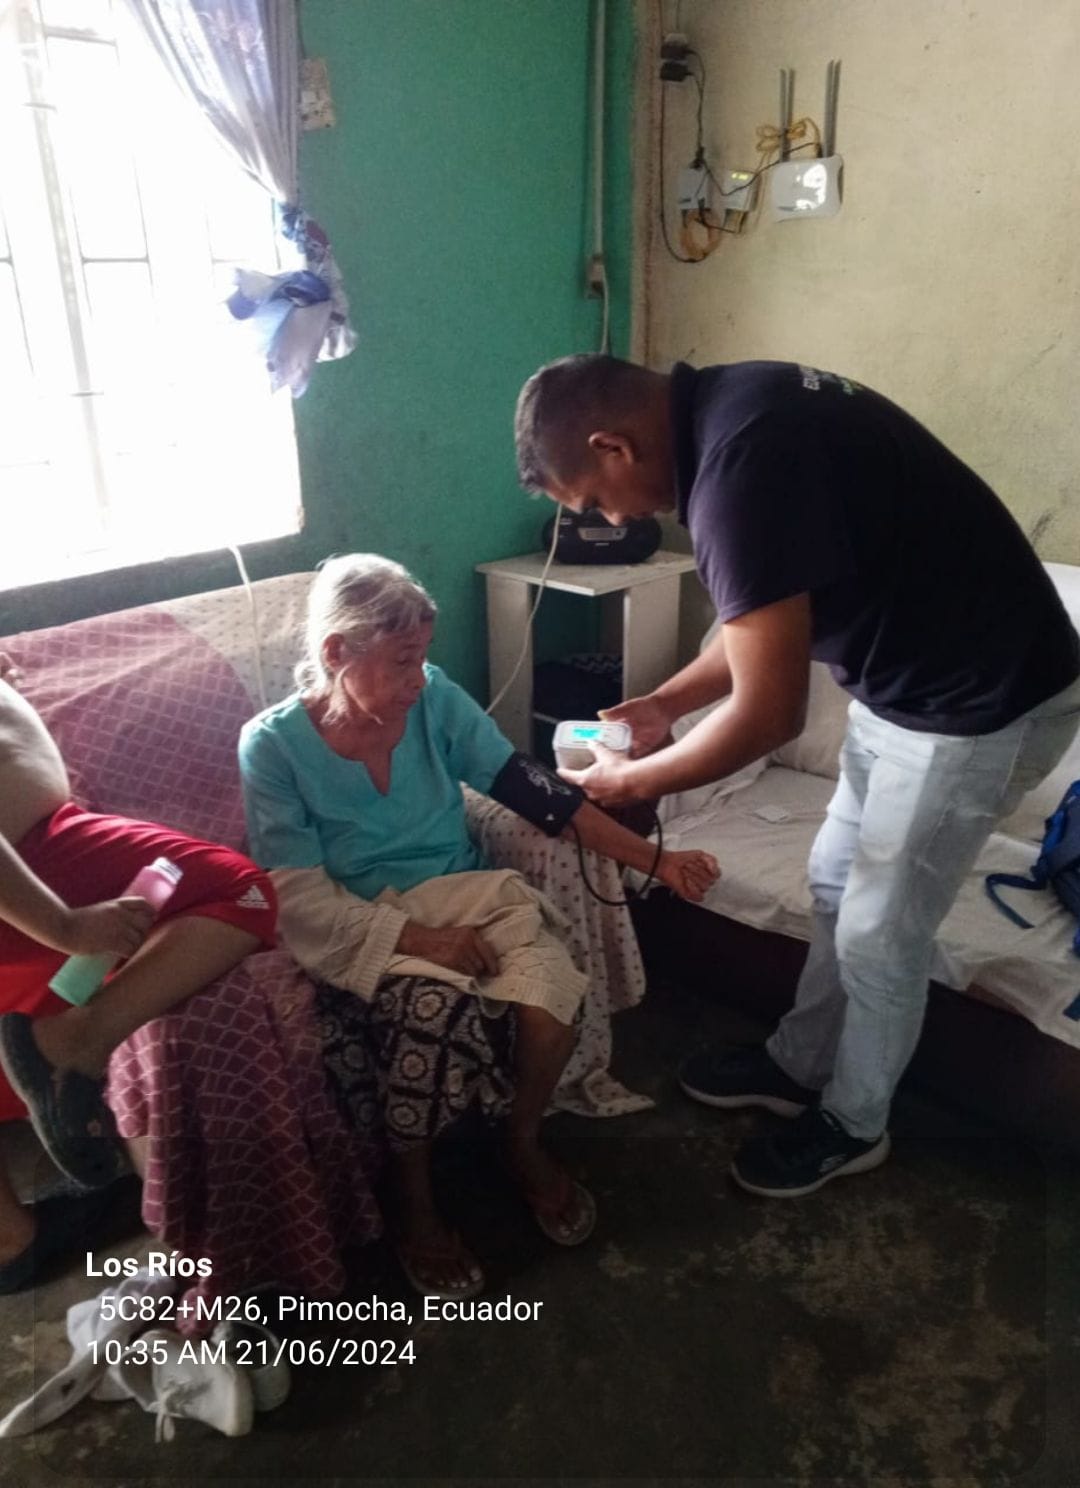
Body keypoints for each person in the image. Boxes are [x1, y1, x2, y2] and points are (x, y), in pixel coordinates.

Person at [514, 353, 1080, 1198]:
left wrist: (636, 783)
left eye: (594, 501)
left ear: (613, 446)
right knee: (833, 881)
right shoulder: (738, 406)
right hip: (907, 685)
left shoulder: (740, 471)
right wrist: (664, 705)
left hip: (981, 700)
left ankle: (855, 1123)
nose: (612, 518)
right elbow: (764, 637)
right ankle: (799, 1063)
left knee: (881, 930)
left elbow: (769, 713)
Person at [238, 554, 718, 1300]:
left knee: (552, 993)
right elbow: (296, 893)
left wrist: (657, 860)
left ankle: (520, 1144)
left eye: (422, 657)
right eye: (401, 661)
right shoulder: (272, 748)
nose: (418, 678)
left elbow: (533, 792)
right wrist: (414, 940)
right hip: (366, 922)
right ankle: (415, 1202)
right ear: (335, 652)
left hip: (469, 895)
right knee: (428, 1016)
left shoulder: (434, 698)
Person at [0, 654, 277, 1292]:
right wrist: (65, 927)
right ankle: (73, 1041)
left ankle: (10, 1242)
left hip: (29, 864)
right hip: (30, 863)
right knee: (241, 890)